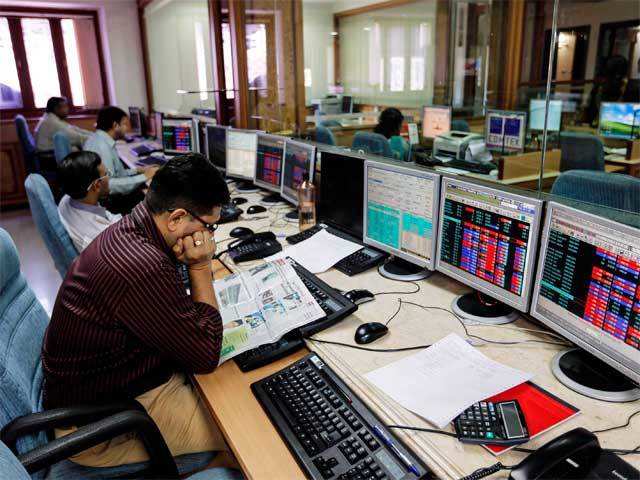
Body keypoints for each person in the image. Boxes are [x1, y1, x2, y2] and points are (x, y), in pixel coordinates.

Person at [42, 153, 233, 468]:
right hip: (100, 429)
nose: (210, 237)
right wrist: (200, 266)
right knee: (246, 434)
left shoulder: (138, 226)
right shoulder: (142, 266)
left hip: (116, 387)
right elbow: (205, 356)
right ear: (176, 218)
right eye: (209, 227)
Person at [84, 106, 157, 214]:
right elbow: (109, 185)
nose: (127, 129)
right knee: (155, 199)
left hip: (106, 195)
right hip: (110, 203)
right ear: (115, 125)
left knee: (146, 188)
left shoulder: (99, 139)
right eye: (125, 124)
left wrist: (137, 170)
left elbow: (116, 173)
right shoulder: (102, 147)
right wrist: (145, 176)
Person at [57, 151, 122, 252]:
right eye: (106, 174)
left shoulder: (66, 199)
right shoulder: (101, 237)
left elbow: (107, 216)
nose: (108, 177)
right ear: (96, 185)